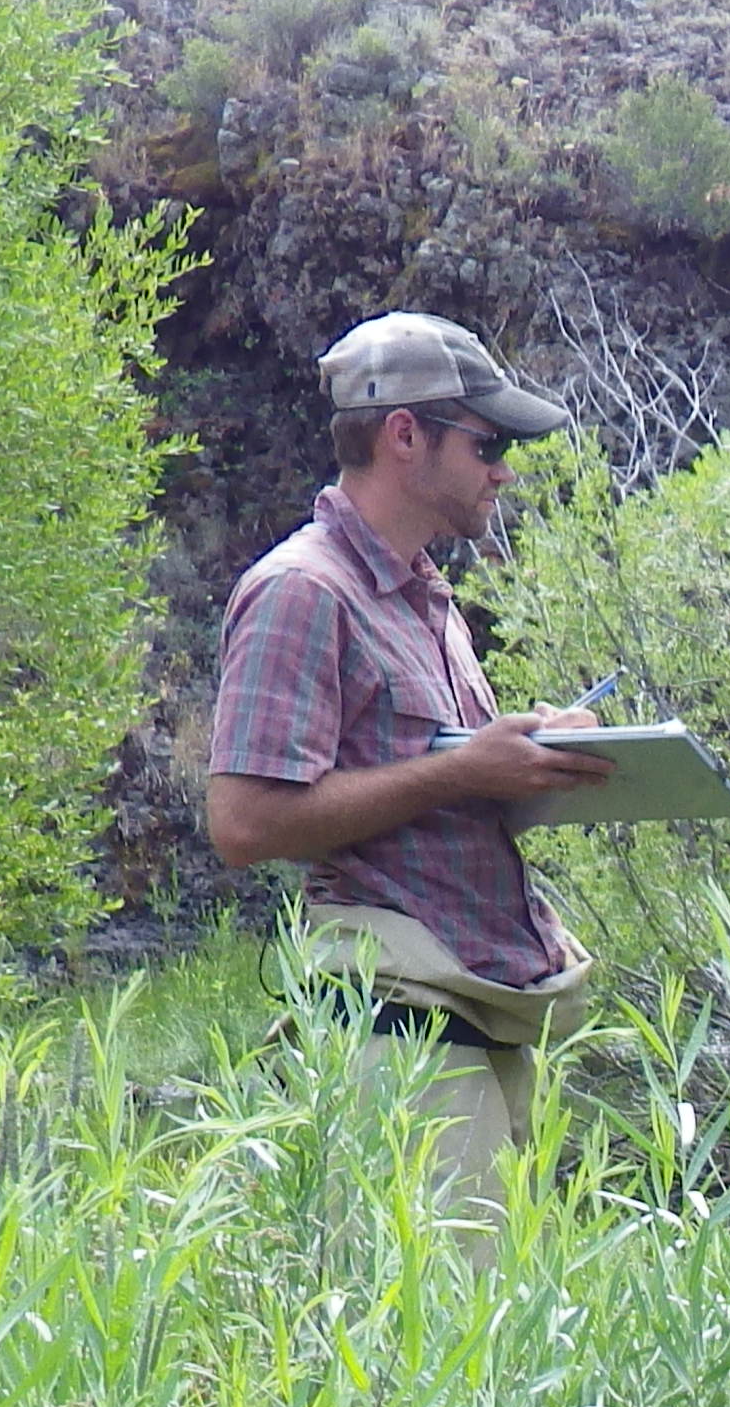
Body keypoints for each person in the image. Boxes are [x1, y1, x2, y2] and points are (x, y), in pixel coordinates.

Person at [205, 310, 615, 1203]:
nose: (503, 469)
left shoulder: (427, 596)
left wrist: (532, 756)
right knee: (431, 1336)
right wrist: (465, 772)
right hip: (395, 1039)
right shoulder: (300, 593)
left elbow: (437, 784)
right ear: (404, 436)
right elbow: (242, 824)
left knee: (502, 1336)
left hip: (475, 1026)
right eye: (487, 442)